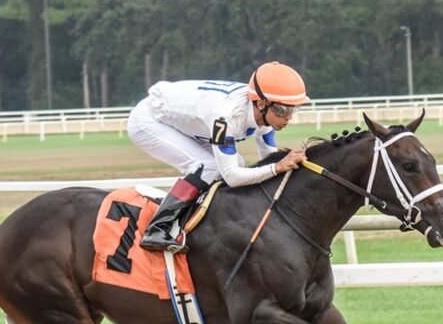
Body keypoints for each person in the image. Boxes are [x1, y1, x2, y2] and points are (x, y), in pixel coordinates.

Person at [127, 61, 309, 252]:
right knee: (209, 167)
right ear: (262, 104)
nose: (288, 117)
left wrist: (287, 168)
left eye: (293, 109)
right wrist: (277, 167)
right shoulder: (225, 116)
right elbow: (233, 177)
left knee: (237, 162)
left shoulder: (263, 112)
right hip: (149, 122)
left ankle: (205, 218)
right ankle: (157, 228)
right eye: (283, 110)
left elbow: (269, 156)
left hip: (190, 124)